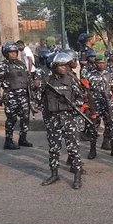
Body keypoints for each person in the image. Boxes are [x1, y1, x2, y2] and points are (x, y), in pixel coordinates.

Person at [35, 50, 85, 189]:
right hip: (52, 119)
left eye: (66, 65)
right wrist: (36, 106)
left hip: (68, 118)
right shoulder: (47, 81)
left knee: (73, 148)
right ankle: (54, 174)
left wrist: (73, 105)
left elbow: (81, 98)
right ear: (54, 66)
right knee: (54, 148)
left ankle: (77, 176)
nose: (64, 68)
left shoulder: (71, 80)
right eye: (61, 66)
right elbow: (38, 99)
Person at [0, 41, 33, 150]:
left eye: (15, 52)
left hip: (24, 96)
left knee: (25, 118)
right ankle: (8, 141)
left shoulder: (21, 64)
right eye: (10, 52)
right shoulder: (2, 65)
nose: (13, 54)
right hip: (11, 96)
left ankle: (23, 138)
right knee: (12, 119)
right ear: (6, 53)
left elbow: (28, 80)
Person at [87, 54, 113, 160]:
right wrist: (89, 104)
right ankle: (92, 150)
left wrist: (112, 100)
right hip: (95, 105)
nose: (101, 65)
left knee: (111, 126)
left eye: (103, 63)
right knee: (94, 127)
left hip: (108, 104)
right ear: (95, 64)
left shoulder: (110, 74)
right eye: (99, 63)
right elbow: (86, 91)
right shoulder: (89, 75)